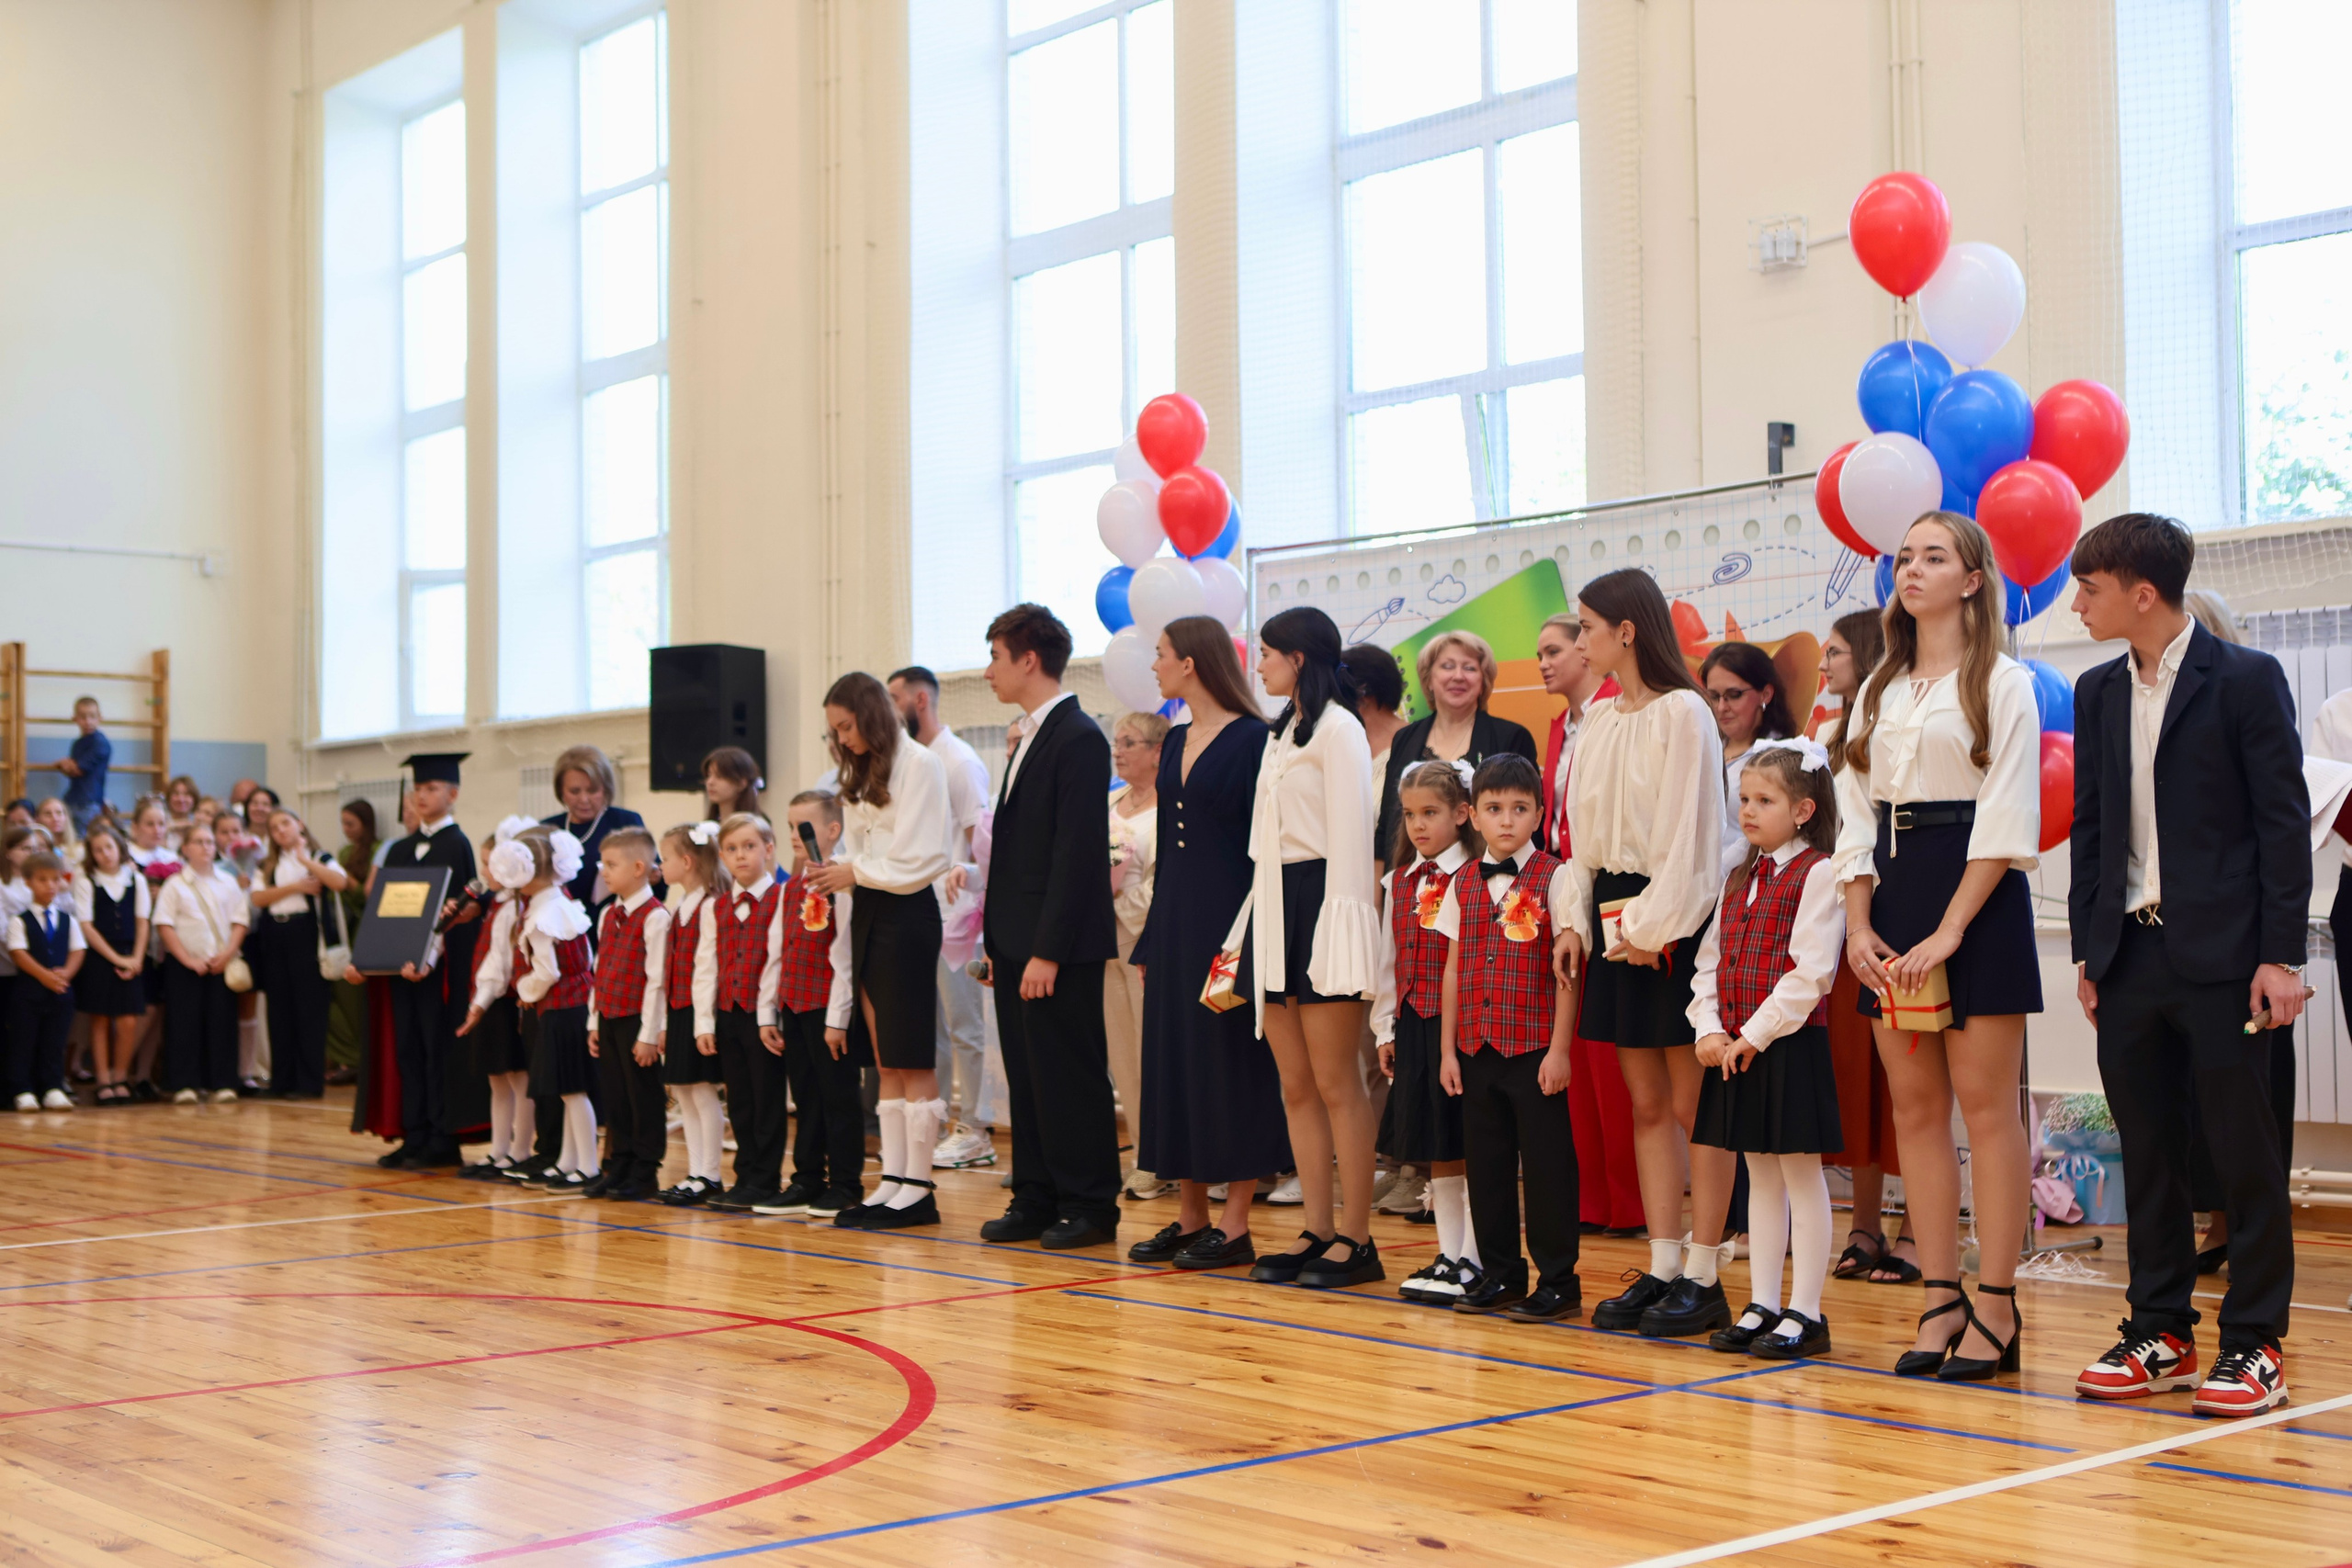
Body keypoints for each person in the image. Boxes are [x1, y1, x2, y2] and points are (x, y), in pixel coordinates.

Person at [2067, 514, 2307, 1416]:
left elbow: (2282, 828)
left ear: (2141, 591)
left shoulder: (2244, 680)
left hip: (2225, 959)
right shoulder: (2095, 692)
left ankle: (2255, 1343)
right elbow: (2093, 828)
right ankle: (2158, 1328)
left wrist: (2280, 956)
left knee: (2244, 1154)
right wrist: (2095, 948)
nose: (2076, 603)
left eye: (2088, 587)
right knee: (2149, 1153)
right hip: (2130, 954)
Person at [1835, 512, 2041, 1382]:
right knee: (1913, 1110)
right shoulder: (1877, 685)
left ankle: (1997, 1300)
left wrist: (1952, 929)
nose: (1911, 570)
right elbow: (1853, 810)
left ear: (1972, 578)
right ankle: (1940, 1294)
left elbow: (2007, 813)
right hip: (1893, 891)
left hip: (1978, 897)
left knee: (1985, 1111)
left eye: (1933, 556)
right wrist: (1857, 922)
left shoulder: (2007, 681)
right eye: (1903, 557)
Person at [1552, 570, 1727, 1335]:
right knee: (1646, 1104)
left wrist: (1648, 930)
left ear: (1626, 630)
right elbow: (1579, 840)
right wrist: (1574, 920)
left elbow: (1691, 841)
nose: (1579, 640)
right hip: (1617, 915)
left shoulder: (1684, 711)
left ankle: (1706, 1269)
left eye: (1588, 626)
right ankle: (1661, 1263)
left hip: (1668, 919)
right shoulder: (1599, 720)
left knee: (1695, 1106)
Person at [1125, 616, 1287, 1269]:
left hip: (1233, 921)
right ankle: (1191, 1216)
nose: (1156, 666)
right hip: (1175, 922)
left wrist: (1254, 935)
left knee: (1231, 1063)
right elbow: (1168, 844)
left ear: (1191, 662)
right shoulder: (1176, 739)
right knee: (1174, 1064)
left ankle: (1236, 1222)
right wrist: (1151, 937)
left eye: (1161, 655)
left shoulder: (1256, 739)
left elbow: (1267, 845)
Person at [1689, 740, 1847, 1359]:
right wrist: (1708, 1026)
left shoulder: (1821, 871)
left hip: (1786, 1046)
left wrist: (1753, 1033)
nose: (1748, 811)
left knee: (1801, 1176)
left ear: (1804, 809)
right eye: (1745, 799)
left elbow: (1811, 974)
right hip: (1735, 1048)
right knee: (1759, 1173)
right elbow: (1711, 962)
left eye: (1765, 800)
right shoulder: (1739, 877)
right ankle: (1763, 1302)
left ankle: (1805, 1310)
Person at [1244, 606, 1385, 1289]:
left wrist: (1342, 938)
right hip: (1275, 903)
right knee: (1294, 1083)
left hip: (1325, 902)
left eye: (1268, 652)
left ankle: (1357, 1239)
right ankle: (1319, 1227)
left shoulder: (1341, 731)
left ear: (1299, 658)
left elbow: (1353, 846)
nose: (1260, 664)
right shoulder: (1279, 735)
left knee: (1337, 1083)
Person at [976, 604, 1124, 1250]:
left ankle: (1089, 1203)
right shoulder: (1030, 733)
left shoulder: (1079, 736)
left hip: (1052, 944)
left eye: (996, 657)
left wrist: (1047, 950)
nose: (987, 671)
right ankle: (1035, 1194)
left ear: (1028, 659)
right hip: (1015, 938)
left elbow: (1075, 853)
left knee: (1069, 1073)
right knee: (1029, 1073)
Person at [804, 671, 954, 1231]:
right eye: (835, 730)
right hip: (869, 906)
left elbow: (923, 855)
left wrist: (854, 870)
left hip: (908, 913)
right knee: (885, 1058)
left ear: (870, 715)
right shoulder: (865, 771)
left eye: (846, 726)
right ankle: (893, 1179)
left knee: (911, 1054)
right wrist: (837, 870)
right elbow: (864, 851)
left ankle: (919, 1188)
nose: (842, 739)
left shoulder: (922, 764)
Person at [1435, 753, 1580, 1317]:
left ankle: (1558, 1282)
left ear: (1539, 814)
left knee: (1546, 1168)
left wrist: (1560, 1049)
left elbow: (1568, 971)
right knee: (1487, 1166)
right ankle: (1500, 1273)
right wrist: (1448, 1049)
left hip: (1535, 1049)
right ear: (1473, 815)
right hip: (1475, 1048)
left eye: (1520, 809)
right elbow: (1453, 967)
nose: (1506, 821)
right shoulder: (1463, 883)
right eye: (1494, 809)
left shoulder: (1558, 875)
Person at [1533, 611, 1642, 1238]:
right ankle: (1592, 1195)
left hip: (1610, 888)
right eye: (1539, 652)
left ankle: (1629, 1200)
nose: (1544, 662)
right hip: (1565, 890)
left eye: (1554, 649)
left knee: (1610, 1051)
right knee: (1571, 1046)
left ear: (1586, 647)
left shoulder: (1616, 707)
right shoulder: (1559, 726)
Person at [1815, 609, 1914, 1285]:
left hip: (1906, 907)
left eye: (1836, 652)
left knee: (1912, 1080)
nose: (1823, 665)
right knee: (1857, 1077)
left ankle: (1916, 1230)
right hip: (1845, 918)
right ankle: (1864, 1221)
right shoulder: (1823, 735)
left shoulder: (1905, 718)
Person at [1373, 759, 1484, 1303]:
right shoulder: (1400, 881)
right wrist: (1385, 1028)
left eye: (1431, 813)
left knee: (1472, 1140)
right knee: (1438, 1145)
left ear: (1462, 814)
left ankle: (1479, 1258)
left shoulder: (1477, 876)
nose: (1418, 825)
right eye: (1411, 814)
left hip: (1465, 1026)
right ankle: (1451, 1254)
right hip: (1416, 1021)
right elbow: (1388, 960)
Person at [888, 665, 1000, 1172]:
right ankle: (940, 1121)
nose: (887, 711)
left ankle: (976, 1129)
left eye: (893, 699)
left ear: (919, 700)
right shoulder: (912, 761)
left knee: (965, 1025)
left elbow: (982, 840)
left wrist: (967, 880)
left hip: (958, 917)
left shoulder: (957, 761)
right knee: (931, 1027)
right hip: (920, 911)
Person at [464, 828, 597, 1194]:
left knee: (573, 1091)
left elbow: (548, 972)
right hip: (572, 1005)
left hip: (560, 1008)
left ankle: (588, 1165)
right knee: (570, 1091)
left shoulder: (541, 916)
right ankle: (570, 1163)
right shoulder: (557, 903)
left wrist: (525, 991)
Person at [374, 754, 481, 1169]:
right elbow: (386, 910)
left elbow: (461, 912)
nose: (422, 795)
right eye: (417, 788)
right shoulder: (400, 849)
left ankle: (442, 1135)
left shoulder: (457, 844)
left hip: (438, 971)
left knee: (438, 1049)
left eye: (433, 788)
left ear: (453, 795)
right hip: (401, 969)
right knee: (407, 1049)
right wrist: (371, 960)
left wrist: (429, 957)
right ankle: (413, 1133)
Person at [1374, 630, 1539, 874]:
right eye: (1447, 666)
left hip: (1487, 883)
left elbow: (1529, 823)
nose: (1458, 676)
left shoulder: (1511, 737)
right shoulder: (1404, 739)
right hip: (1412, 884)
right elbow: (1387, 826)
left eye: (1470, 668)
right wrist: (1379, 903)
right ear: (1429, 679)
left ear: (1484, 680)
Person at [695, 813, 791, 1214]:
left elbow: (777, 960)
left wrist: (768, 1013)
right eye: (732, 849)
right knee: (740, 1100)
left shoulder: (782, 898)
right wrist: (704, 1021)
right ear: (722, 856)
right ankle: (745, 1176)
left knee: (767, 1099)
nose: (741, 856)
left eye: (749, 847)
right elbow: (706, 966)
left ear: (769, 850)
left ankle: (766, 1179)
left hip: (762, 1016)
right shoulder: (714, 907)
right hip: (728, 1013)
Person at [777, 790, 865, 1221]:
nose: (795, 835)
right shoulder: (792, 886)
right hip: (794, 1005)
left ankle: (846, 1182)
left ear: (832, 830)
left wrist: (838, 1019)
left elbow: (845, 956)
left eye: (804, 827)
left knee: (838, 1096)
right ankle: (807, 1177)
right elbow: (782, 950)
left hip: (828, 1009)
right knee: (806, 1096)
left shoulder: (843, 884)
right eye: (791, 825)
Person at [583, 827, 670, 1201]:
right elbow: (599, 970)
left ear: (638, 867)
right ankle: (618, 1164)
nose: (603, 871)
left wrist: (649, 1033)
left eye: (611, 864)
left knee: (643, 1096)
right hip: (610, 1015)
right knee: (616, 1095)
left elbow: (657, 980)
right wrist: (594, 1019)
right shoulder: (607, 913)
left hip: (638, 1020)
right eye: (603, 863)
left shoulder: (656, 917)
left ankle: (645, 1169)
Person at [1105, 710, 1168, 1199]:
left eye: (1130, 741)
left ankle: (1168, 1155)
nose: (1119, 749)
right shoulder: (1108, 802)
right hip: (1103, 941)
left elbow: (1166, 881)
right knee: (1123, 1053)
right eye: (1116, 741)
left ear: (1157, 751)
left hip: (1147, 939)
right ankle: (1143, 1153)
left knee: (1156, 1049)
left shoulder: (1170, 805)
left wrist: (1120, 903)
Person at [246, 809, 349, 1100]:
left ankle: (308, 1082)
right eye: (274, 827)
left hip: (307, 935)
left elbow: (339, 882)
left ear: (299, 825)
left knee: (309, 1010)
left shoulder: (319, 855)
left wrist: (305, 860)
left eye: (285, 824)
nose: (280, 831)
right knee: (279, 1009)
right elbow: (257, 898)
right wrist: (295, 887)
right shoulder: (267, 864)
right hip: (275, 935)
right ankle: (282, 1080)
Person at [654, 821, 728, 1206]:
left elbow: (707, 967)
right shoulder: (680, 904)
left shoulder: (710, 904)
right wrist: (667, 1021)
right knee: (683, 1092)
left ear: (686, 861)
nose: (659, 864)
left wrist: (703, 1022)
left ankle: (710, 1174)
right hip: (679, 1009)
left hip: (701, 1012)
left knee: (701, 1093)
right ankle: (696, 1172)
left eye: (664, 858)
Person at [463, 820, 539, 1182]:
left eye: (489, 863)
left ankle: (520, 1151)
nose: (483, 872)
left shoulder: (513, 908)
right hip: (490, 1000)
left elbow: (501, 962)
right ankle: (498, 1150)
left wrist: (482, 998)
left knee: (517, 1079)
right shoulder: (496, 904)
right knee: (497, 1079)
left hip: (506, 999)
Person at [152, 820, 248, 1104]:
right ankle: (184, 1084)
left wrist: (228, 953)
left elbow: (239, 921)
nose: (206, 847)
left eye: (209, 842)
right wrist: (186, 959)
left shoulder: (228, 882)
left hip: (221, 962)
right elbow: (165, 925)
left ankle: (223, 1082)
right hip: (186, 965)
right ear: (185, 849)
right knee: (184, 1024)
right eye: (199, 842)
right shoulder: (175, 885)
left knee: (222, 1023)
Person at [1700, 643, 1798, 882]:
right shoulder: (1707, 747)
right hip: (1699, 889)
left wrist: (1717, 872)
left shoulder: (1782, 755)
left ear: (1766, 694)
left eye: (1734, 695)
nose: (1722, 707)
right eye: (1714, 696)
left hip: (1749, 886)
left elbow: (1768, 833)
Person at [74, 822, 149, 1104]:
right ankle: (103, 1079)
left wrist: (137, 958)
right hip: (100, 956)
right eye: (98, 850)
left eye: (109, 847)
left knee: (129, 1020)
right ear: (92, 855)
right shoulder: (86, 881)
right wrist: (116, 959)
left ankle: (121, 1075)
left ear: (119, 848)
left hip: (131, 953)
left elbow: (143, 922)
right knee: (100, 1019)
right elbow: (87, 926)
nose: (105, 854)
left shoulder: (136, 879)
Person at [8, 850, 85, 1111]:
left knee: (55, 1042)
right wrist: (45, 976)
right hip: (29, 995)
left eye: (54, 879)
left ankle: (52, 1086)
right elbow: (18, 953)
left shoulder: (68, 919)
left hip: (60, 993)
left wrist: (66, 974)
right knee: (24, 1041)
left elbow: (77, 950)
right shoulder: (20, 921)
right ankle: (23, 1088)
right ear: (28, 882)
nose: (50, 885)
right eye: (42, 879)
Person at [543, 745, 646, 919]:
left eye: (592, 790)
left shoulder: (625, 823)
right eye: (574, 791)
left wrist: (651, 875)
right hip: (561, 926)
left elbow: (656, 885)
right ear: (561, 791)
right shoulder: (548, 829)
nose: (584, 799)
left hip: (615, 924)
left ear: (605, 789)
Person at [324, 800, 378, 1086]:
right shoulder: (344, 852)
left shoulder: (378, 850)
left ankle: (359, 1059)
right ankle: (347, 1057)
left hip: (363, 927)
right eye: (343, 823)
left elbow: (364, 895)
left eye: (351, 824)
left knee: (356, 1001)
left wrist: (344, 881)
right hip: (342, 927)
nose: (346, 830)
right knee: (338, 998)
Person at [55, 695, 110, 835]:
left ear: (100, 718)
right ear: (75, 719)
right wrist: (67, 765)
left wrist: (65, 764)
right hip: (73, 799)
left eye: (92, 716)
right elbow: (71, 770)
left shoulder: (100, 743)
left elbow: (78, 769)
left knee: (84, 839)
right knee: (69, 837)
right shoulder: (78, 743)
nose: (88, 721)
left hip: (89, 803)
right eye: (83, 717)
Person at [702, 747, 763, 822]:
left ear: (742, 783)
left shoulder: (753, 828)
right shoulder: (708, 827)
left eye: (719, 776)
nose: (710, 782)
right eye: (709, 775)